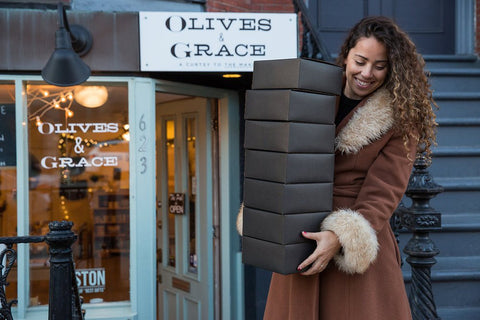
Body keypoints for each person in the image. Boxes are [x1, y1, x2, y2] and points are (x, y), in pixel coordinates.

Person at [237, 16, 438, 319]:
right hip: (300, 231)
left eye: (379, 66)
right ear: (346, 56)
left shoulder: (401, 118)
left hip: (355, 240)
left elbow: (385, 191)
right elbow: (276, 152)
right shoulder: (310, 91)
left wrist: (340, 237)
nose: (367, 73)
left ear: (392, 69)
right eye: (360, 61)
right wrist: (266, 206)